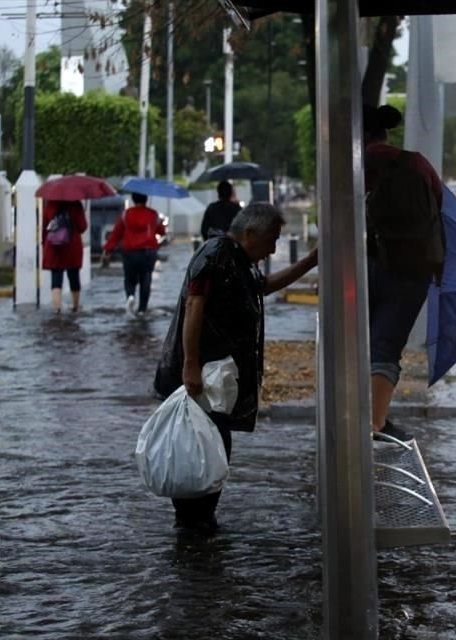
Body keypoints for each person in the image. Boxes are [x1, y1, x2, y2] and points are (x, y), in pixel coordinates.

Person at [153, 202, 318, 533]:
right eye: (271, 239)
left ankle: (200, 521)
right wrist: (190, 366)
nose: (273, 247)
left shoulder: (239, 261)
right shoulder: (216, 254)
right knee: (202, 445)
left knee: (214, 444)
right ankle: (193, 521)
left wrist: (310, 261)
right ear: (249, 233)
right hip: (205, 376)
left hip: (218, 377)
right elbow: (194, 305)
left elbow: (264, 286)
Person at [363, 104, 444, 444]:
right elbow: (439, 206)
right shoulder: (416, 162)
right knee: (386, 345)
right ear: (384, 132)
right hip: (411, 269)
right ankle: (376, 421)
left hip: (361, 264)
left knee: (354, 344)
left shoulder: (353, 164)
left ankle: (366, 420)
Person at [100, 192, 166, 316]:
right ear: (146, 199)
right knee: (146, 279)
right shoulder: (153, 214)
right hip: (148, 252)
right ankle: (142, 309)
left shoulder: (126, 214)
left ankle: (130, 296)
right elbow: (161, 232)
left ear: (133, 199)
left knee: (129, 278)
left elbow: (116, 234)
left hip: (130, 252)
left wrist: (107, 250)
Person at [42, 200, 88, 314]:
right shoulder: (76, 204)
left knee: (56, 279)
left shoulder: (50, 204)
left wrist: (44, 243)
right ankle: (75, 307)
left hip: (54, 246)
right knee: (74, 277)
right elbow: (82, 227)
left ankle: (57, 309)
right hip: (72, 245)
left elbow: (45, 226)